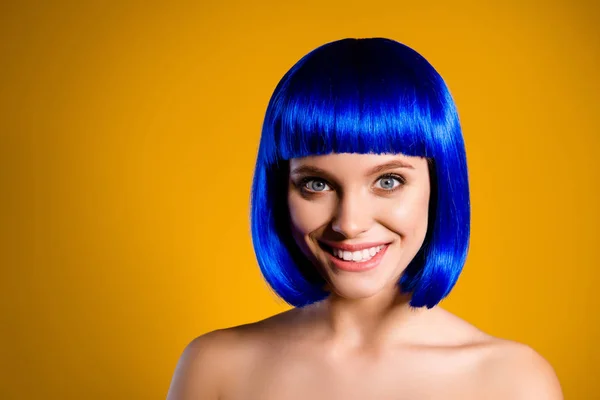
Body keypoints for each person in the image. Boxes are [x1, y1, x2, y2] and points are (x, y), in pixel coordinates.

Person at [166, 38, 563, 399]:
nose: (350, 223)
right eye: (317, 185)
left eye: (388, 181)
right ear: (279, 191)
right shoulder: (213, 369)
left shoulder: (513, 382)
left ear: (439, 186)